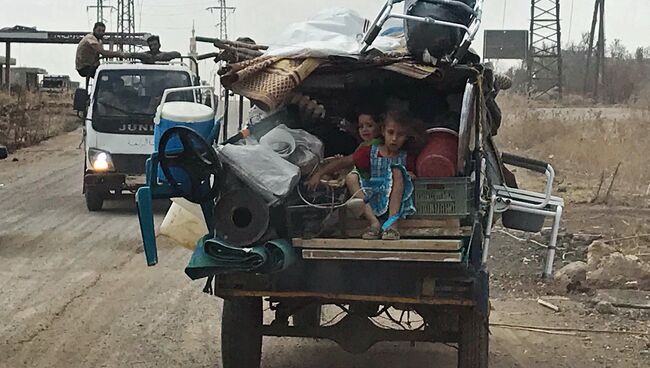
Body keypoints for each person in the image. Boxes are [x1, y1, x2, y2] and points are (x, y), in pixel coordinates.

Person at [307, 109, 424, 240]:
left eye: (400, 134)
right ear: (383, 131)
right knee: (351, 177)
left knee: (398, 172)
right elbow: (345, 162)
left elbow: (416, 179)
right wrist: (319, 174)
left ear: (406, 136)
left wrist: (409, 176)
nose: (394, 139)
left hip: (395, 203)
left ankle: (392, 226)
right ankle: (373, 223)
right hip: (371, 198)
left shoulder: (407, 157)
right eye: (390, 133)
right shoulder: (369, 152)